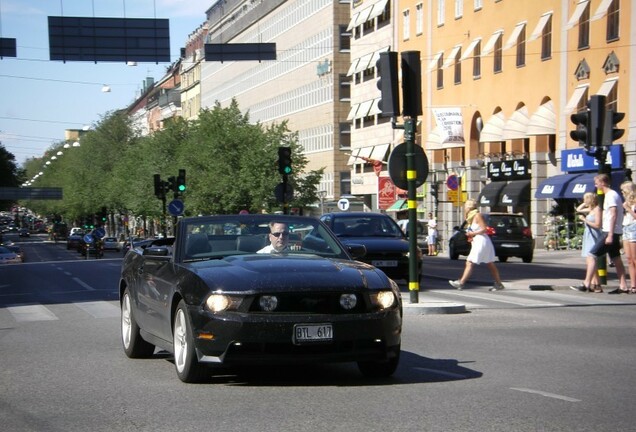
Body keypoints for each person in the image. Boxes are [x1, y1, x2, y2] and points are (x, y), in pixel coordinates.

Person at [581, 174, 628, 294]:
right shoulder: (612, 195)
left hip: (609, 231)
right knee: (616, 258)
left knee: (591, 255)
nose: (595, 185)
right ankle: (623, 285)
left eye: (596, 183)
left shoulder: (611, 195)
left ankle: (587, 283)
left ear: (602, 183)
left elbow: (613, 214)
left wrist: (610, 234)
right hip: (614, 231)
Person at [449, 199, 505, 291]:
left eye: (466, 206)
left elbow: (484, 229)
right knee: (490, 263)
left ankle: (461, 283)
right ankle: (498, 283)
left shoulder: (477, 215)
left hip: (481, 241)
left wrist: (472, 234)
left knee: (470, 262)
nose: (464, 208)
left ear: (469, 207)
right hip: (479, 241)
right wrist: (470, 234)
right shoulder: (470, 217)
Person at [571, 192, 602, 292]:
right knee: (590, 260)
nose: (584, 201)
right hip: (588, 235)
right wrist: (585, 203)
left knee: (591, 259)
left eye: (586, 199)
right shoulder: (591, 209)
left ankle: (591, 283)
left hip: (594, 235)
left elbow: (598, 225)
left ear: (590, 199)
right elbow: (578, 209)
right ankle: (596, 284)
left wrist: (585, 220)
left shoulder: (597, 210)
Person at [621, 181, 636, 293]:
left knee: (635, 259)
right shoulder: (625, 202)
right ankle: (633, 284)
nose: (621, 192)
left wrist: (628, 209)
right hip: (626, 228)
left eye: (623, 190)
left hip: (634, 228)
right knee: (629, 259)